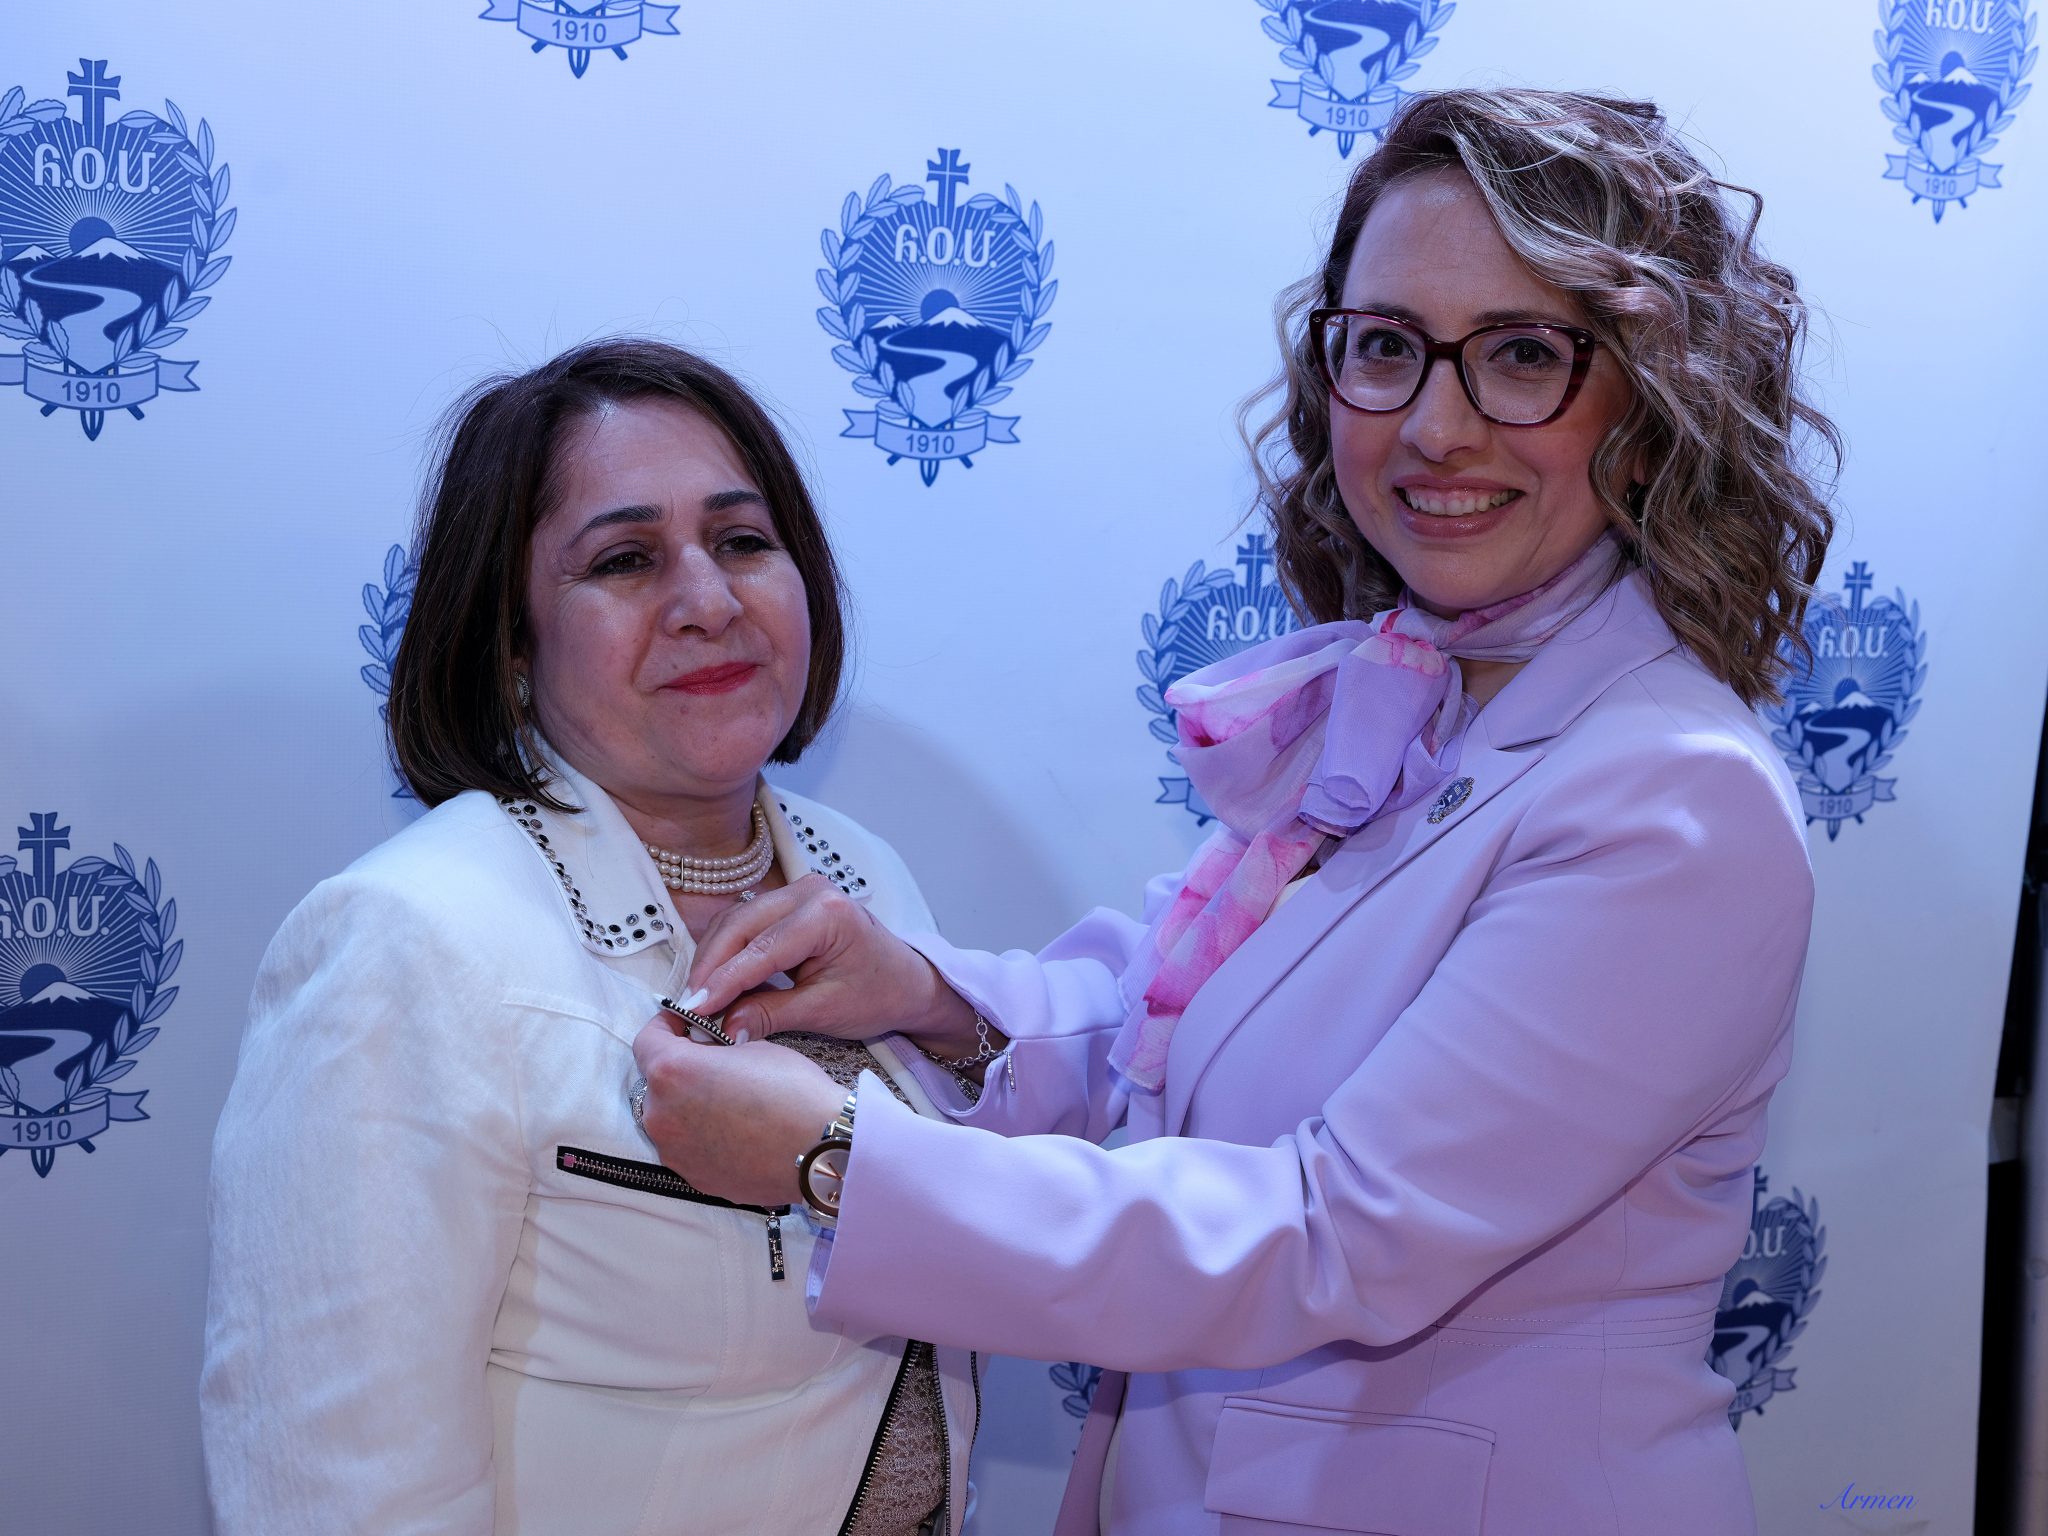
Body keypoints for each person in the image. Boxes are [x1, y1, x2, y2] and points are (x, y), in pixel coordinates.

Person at [630, 90, 1837, 1536]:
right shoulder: (1416, 698)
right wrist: (927, 1000)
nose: (1433, 425)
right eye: (1386, 347)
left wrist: (840, 1162)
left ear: (1651, 406)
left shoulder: (1674, 802)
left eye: (1523, 355)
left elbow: (1332, 1235)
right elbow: (1175, 1023)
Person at [201, 339, 980, 1535]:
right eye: (624, 560)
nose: (709, 603)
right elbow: (345, 1493)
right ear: (511, 643)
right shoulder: (407, 940)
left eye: (742, 541)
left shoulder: (862, 870)